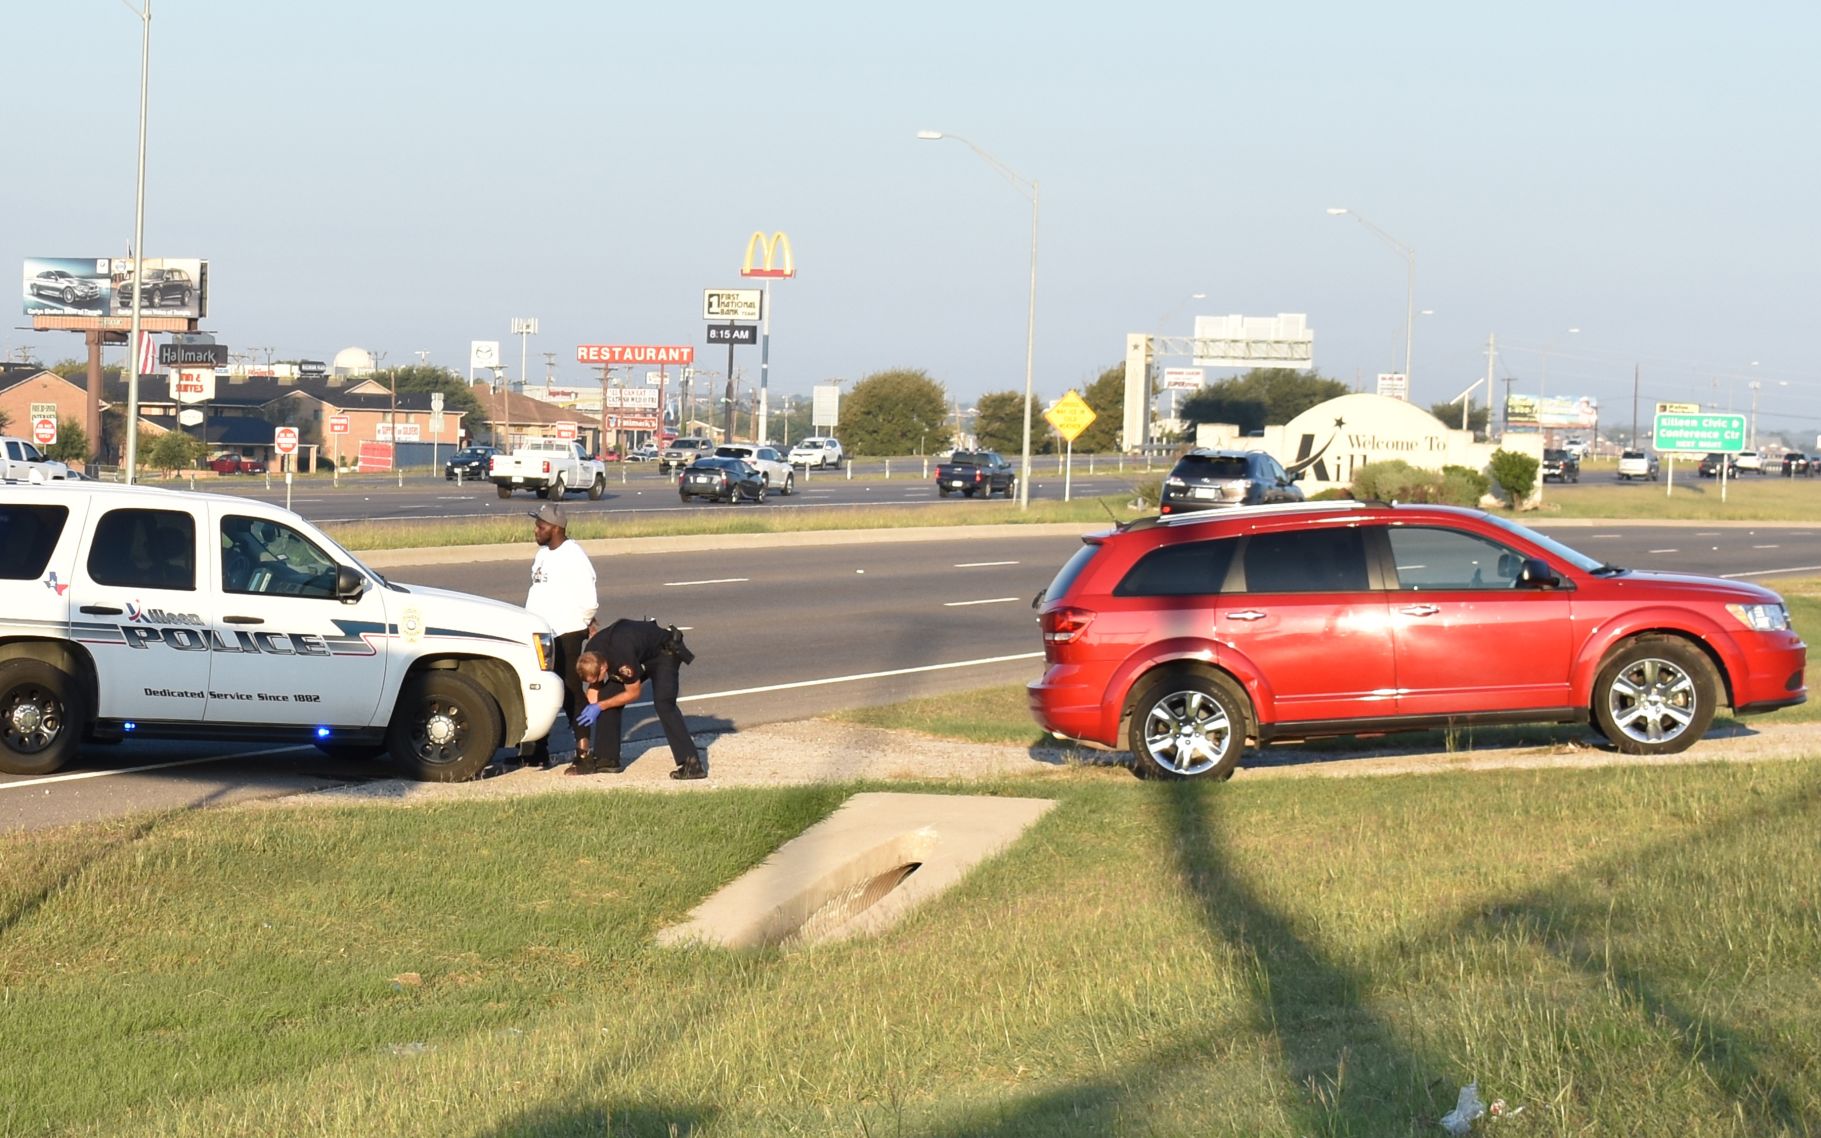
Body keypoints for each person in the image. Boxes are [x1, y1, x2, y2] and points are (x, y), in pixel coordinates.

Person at [571, 618, 702, 779]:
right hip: (638, 654)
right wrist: (584, 718)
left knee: (664, 704)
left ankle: (692, 764)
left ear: (604, 667)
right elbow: (594, 690)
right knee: (606, 696)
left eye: (597, 678)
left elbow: (633, 693)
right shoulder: (591, 651)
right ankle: (607, 759)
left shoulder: (622, 660)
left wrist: (600, 706)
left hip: (663, 653)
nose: (595, 683)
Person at [522, 502, 598, 770]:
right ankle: (535, 753)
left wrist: (584, 623)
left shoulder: (574, 556)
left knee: (570, 690)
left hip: (566, 631)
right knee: (539, 688)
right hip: (541, 633)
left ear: (555, 528)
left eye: (540, 526)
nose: (535, 530)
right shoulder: (542, 555)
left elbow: (589, 600)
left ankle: (584, 753)